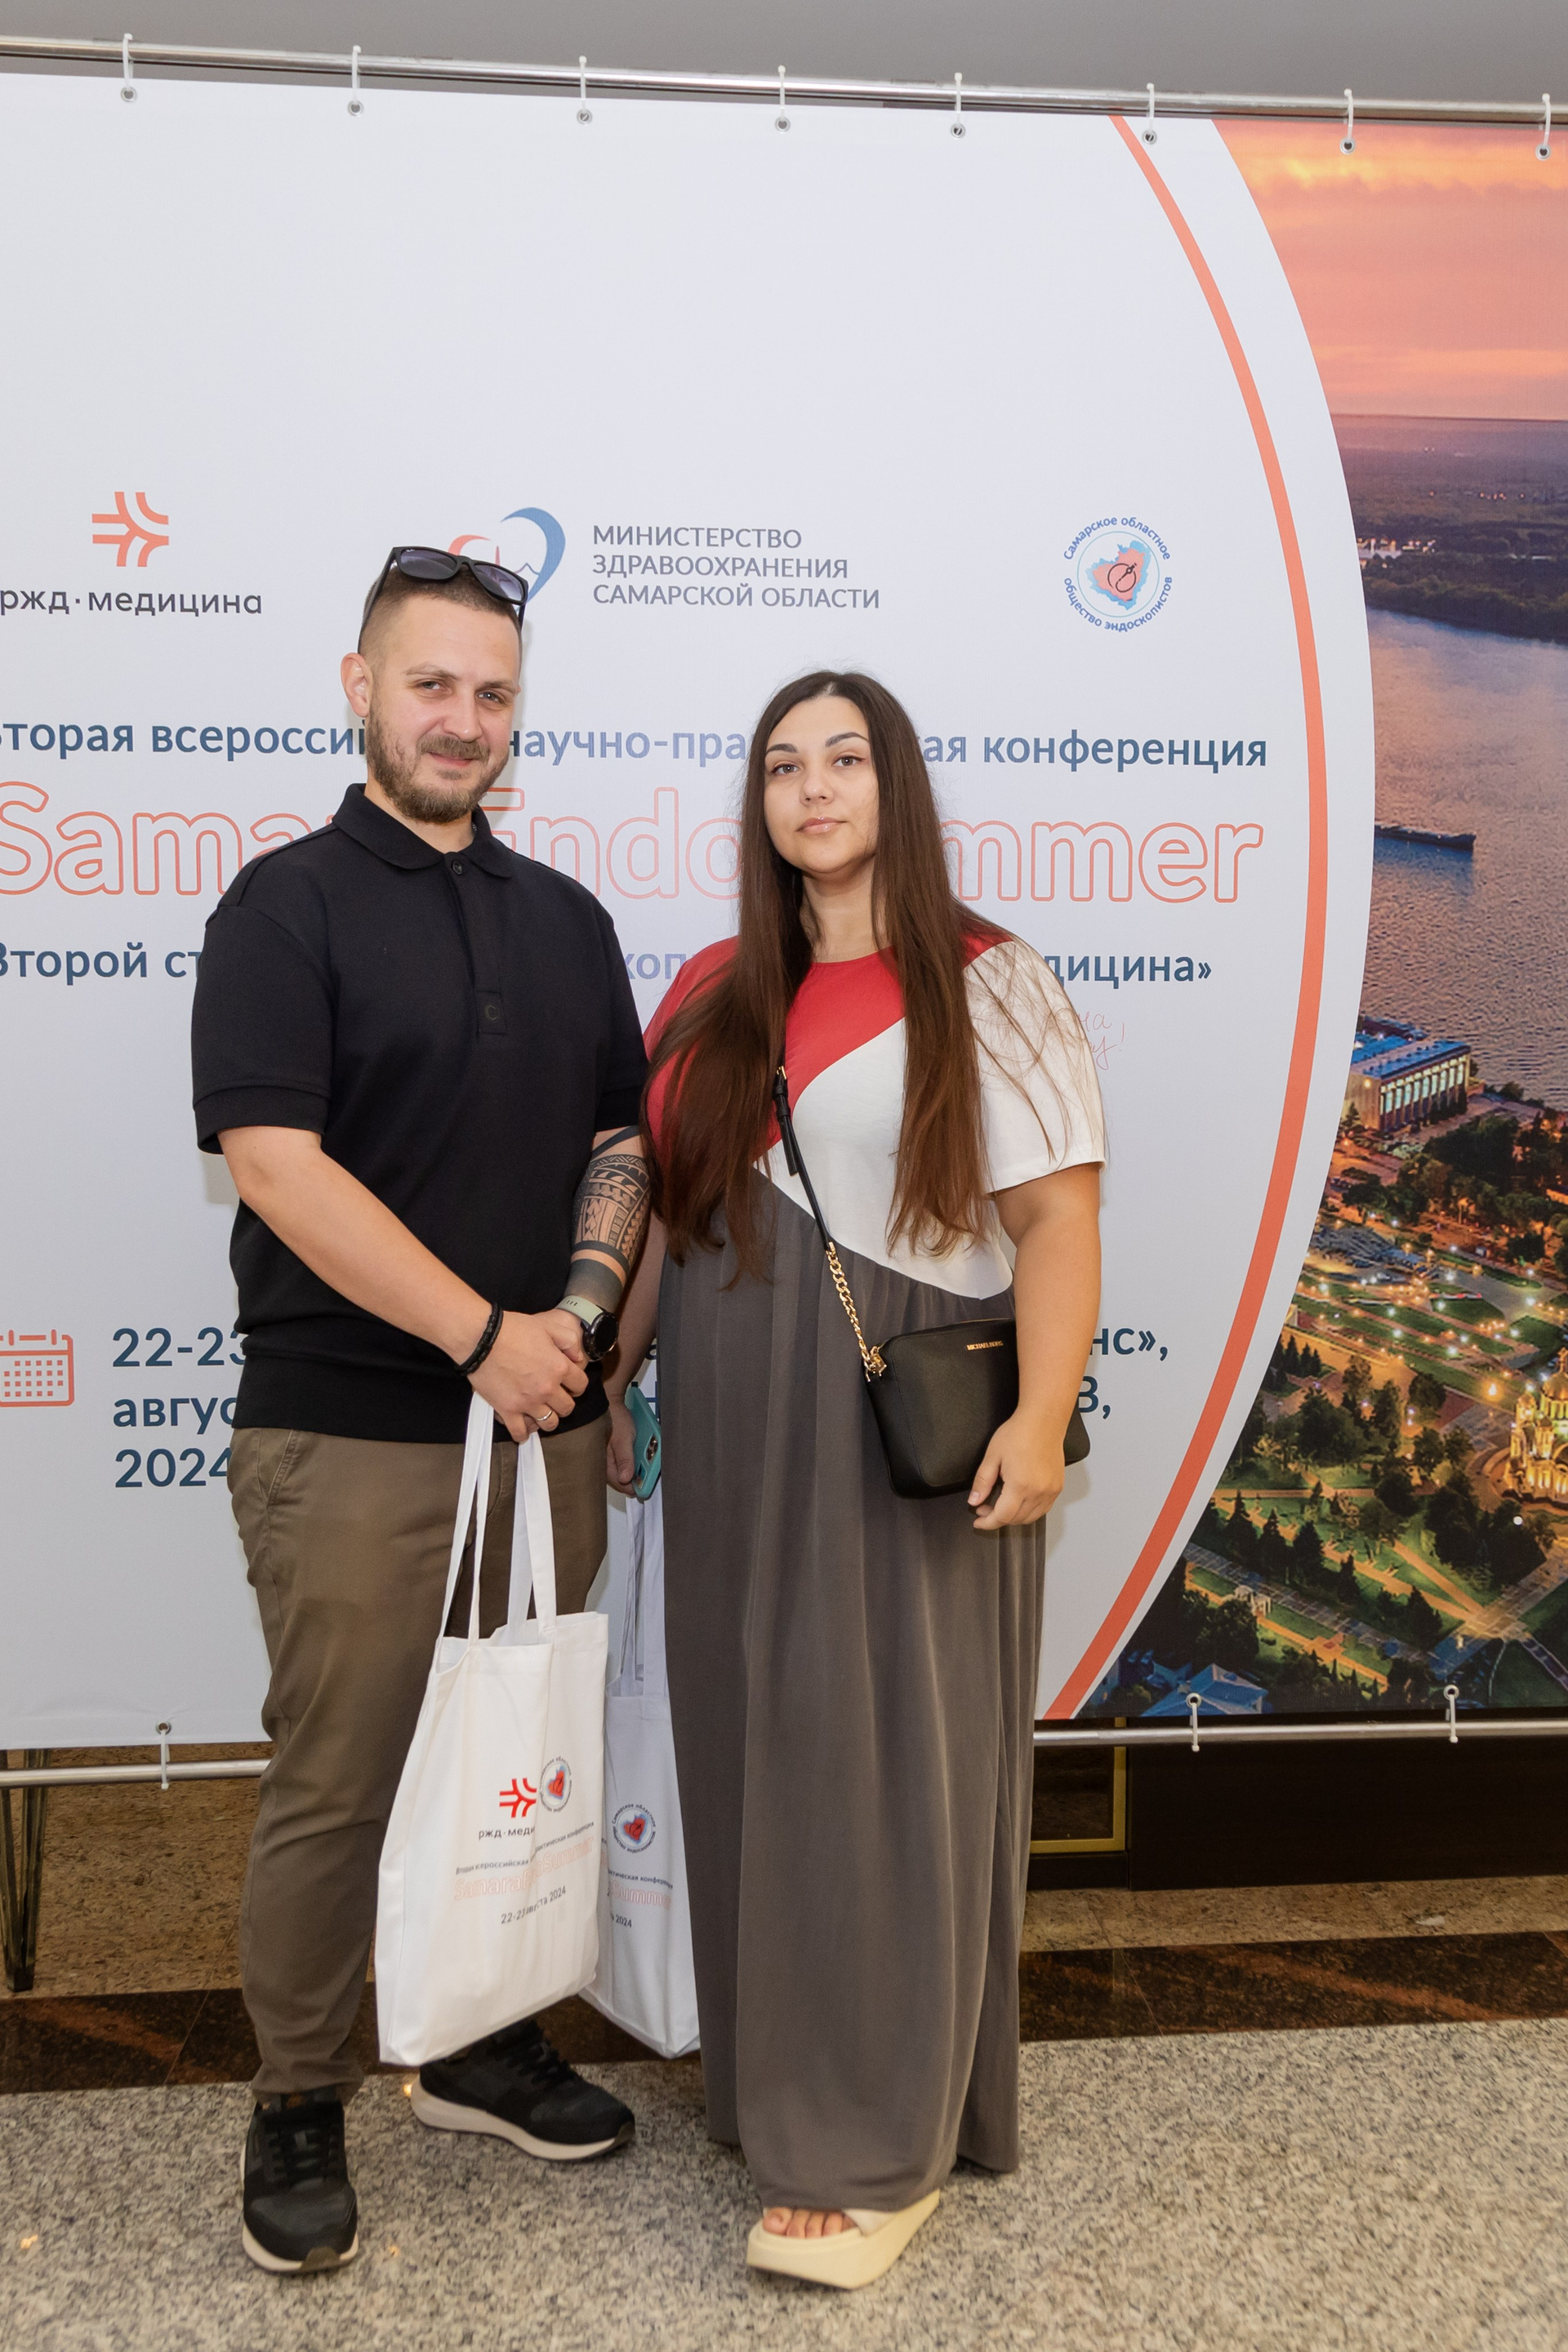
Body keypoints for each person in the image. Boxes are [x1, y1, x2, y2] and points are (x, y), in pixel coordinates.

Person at [606, 670, 1104, 2290]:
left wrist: (1043, 1418)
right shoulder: (708, 990)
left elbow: (1058, 1220)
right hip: (729, 1420)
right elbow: (671, 1214)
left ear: (897, 785)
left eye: (844, 759)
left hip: (899, 1428)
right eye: (781, 765)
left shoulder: (990, 979)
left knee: (878, 1760)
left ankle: (872, 2141)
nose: (812, 789)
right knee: (752, 1738)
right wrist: (615, 1377)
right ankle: (783, 2084)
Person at [190, 547, 651, 2275]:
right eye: (432, 684)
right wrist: (481, 1337)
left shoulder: (568, 921)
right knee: (344, 1778)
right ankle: (299, 2094)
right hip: (354, 1434)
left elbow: (620, 1139)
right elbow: (276, 1163)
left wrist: (576, 1329)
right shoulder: (283, 907)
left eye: (493, 693)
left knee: (513, 1756)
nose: (463, 719)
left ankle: (475, 2039)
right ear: (362, 688)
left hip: (548, 1429)